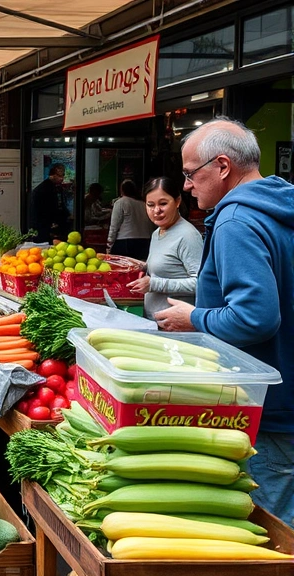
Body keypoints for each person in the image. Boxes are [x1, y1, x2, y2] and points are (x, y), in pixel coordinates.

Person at [154, 118, 294, 523]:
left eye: (189, 174)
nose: (185, 186)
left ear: (222, 166)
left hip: (272, 409)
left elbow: (256, 317)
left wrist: (193, 316)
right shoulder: (279, 206)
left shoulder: (237, 222)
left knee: (276, 532)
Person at [125, 178, 203, 320]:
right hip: (154, 322)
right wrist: (139, 265)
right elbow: (165, 268)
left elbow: (200, 283)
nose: (157, 210)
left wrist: (154, 284)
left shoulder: (188, 235)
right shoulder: (157, 233)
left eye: (163, 204)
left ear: (177, 201)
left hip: (176, 326)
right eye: (150, 205)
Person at [107, 179, 156, 260]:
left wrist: (109, 245)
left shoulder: (121, 202)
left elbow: (114, 226)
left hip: (125, 242)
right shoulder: (143, 204)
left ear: (122, 190)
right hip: (145, 241)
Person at [29, 164, 68, 243]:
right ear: (52, 175)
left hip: (46, 224)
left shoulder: (54, 187)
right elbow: (49, 208)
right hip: (43, 225)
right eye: (60, 175)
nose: (62, 178)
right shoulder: (45, 189)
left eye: (63, 175)